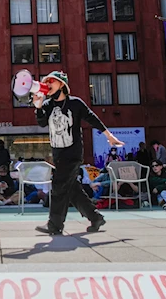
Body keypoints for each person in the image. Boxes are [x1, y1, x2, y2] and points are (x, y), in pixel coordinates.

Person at [33, 71, 124, 235]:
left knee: (58, 185)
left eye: (51, 81)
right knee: (72, 190)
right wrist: (38, 106)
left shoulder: (75, 104)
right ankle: (95, 217)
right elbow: (41, 123)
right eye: (45, 81)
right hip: (58, 154)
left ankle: (54, 224)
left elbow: (92, 118)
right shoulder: (47, 105)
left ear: (61, 84)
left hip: (72, 153)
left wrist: (108, 135)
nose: (47, 84)